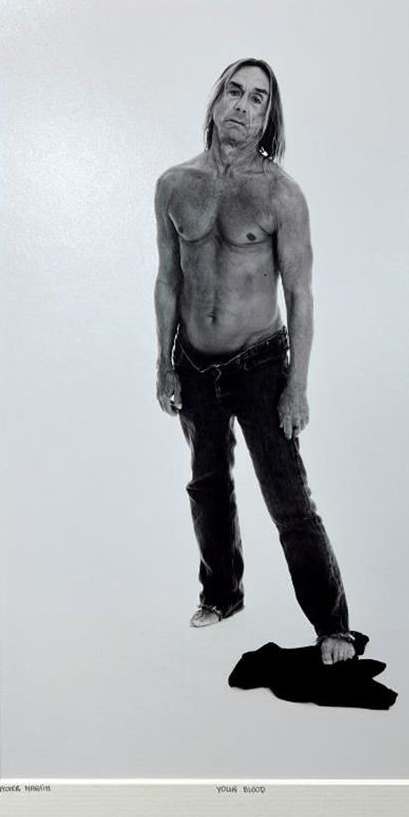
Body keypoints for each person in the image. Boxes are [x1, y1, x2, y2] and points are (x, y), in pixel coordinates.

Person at [154, 57, 355, 664]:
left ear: (269, 119)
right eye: (234, 92)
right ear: (216, 101)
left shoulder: (281, 195)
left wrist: (298, 386)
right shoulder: (173, 185)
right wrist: (163, 362)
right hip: (193, 362)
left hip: (260, 364)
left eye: (258, 99)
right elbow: (168, 280)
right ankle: (221, 595)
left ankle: (333, 625)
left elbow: (300, 294)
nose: (242, 106)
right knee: (207, 485)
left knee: (288, 499)